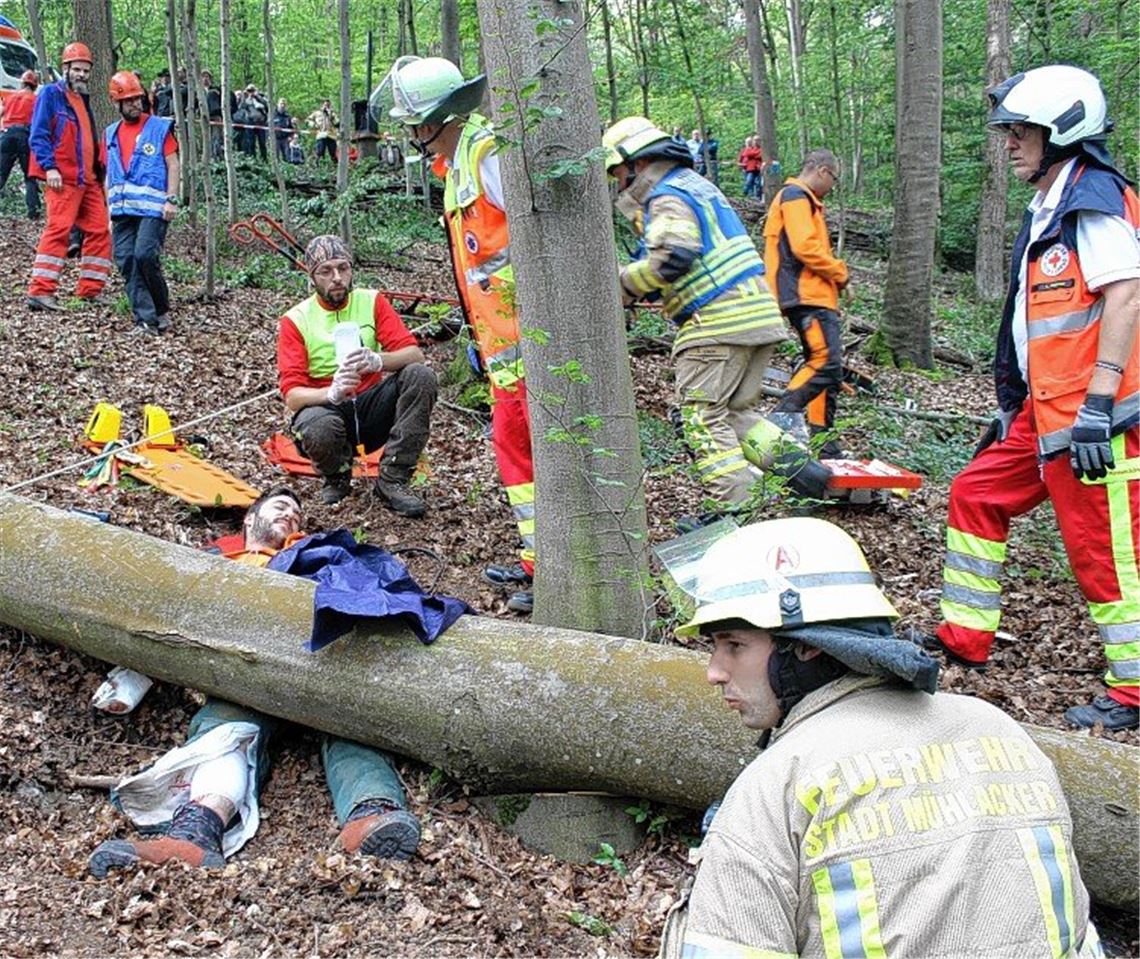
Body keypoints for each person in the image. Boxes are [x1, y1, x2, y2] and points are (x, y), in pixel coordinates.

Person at [659, 517, 1102, 959]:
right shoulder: (1001, 731)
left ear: (807, 645)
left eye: (733, 645)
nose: (715, 672)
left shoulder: (778, 783)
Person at [927, 65, 1140, 731]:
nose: (1010, 141)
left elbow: (1126, 294)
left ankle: (1134, 691)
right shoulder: (1052, 201)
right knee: (976, 492)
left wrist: (1101, 403)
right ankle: (965, 636)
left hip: (1092, 418)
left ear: (1060, 131)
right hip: (1044, 413)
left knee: (1105, 556)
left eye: (1021, 130)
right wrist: (1012, 407)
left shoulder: (1094, 199)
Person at [87, 486, 423, 878]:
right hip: (239, 677)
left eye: (297, 515)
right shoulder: (215, 560)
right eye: (281, 507)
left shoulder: (316, 555)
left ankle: (371, 813)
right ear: (249, 518)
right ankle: (196, 832)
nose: (290, 517)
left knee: (350, 728)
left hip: (322, 667)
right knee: (226, 735)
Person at [379, 56, 536, 614]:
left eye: (411, 122)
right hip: (500, 341)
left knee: (520, 452)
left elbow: (534, 237)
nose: (408, 133)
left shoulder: (486, 153)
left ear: (433, 119)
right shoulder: (457, 167)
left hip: (528, 341)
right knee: (515, 452)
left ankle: (544, 567)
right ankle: (535, 559)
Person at [602, 117, 788, 510]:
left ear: (637, 162)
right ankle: (810, 479)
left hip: (717, 324)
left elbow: (674, 256)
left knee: (702, 420)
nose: (618, 184)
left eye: (618, 173)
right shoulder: (699, 187)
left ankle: (737, 513)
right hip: (757, 317)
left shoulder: (666, 196)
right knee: (738, 416)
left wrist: (619, 286)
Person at [278, 234, 437, 514]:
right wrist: (331, 392)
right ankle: (337, 477)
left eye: (343, 268)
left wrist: (378, 360)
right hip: (327, 410)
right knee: (316, 424)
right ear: (312, 277)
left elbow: (415, 355)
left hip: (372, 405)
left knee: (420, 375)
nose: (337, 277)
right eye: (326, 271)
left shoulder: (371, 301)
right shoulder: (296, 319)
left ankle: (393, 479)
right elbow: (292, 396)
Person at [763, 148, 849, 458]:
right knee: (825, 363)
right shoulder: (796, 196)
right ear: (823, 171)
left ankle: (825, 444)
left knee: (828, 372)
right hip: (805, 295)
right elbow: (805, 247)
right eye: (834, 179)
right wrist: (839, 272)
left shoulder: (803, 200)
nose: (832, 186)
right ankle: (781, 418)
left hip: (812, 296)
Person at [26, 42, 114, 313]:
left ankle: (90, 290)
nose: (81, 75)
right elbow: (38, 134)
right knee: (59, 229)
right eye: (76, 69)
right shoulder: (51, 95)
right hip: (62, 178)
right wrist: (49, 167)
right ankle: (41, 290)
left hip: (87, 179)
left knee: (100, 230)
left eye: (85, 70)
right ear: (65, 68)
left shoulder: (82, 99)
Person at [104, 71, 179, 336]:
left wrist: (172, 198)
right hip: (122, 210)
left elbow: (173, 163)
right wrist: (107, 212)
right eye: (129, 101)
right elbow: (109, 174)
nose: (136, 104)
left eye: (138, 99)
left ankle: (161, 308)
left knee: (145, 255)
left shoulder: (158, 128)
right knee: (126, 260)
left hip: (153, 208)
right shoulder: (110, 134)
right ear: (117, 103)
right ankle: (146, 321)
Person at [0, 69, 41, 220]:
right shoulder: (36, 100)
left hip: (8, 135)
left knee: (1, 174)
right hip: (25, 136)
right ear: (35, 86)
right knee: (29, 176)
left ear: (22, 83)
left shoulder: (10, 97)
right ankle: (33, 211)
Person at [240, 84, 268, 161]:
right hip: (250, 122)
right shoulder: (246, 100)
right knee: (251, 142)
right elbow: (241, 107)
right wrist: (244, 96)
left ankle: (264, 159)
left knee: (262, 142)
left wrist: (257, 96)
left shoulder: (261, 98)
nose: (251, 92)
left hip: (261, 122)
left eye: (252, 90)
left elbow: (266, 106)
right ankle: (253, 159)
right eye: (249, 91)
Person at [201, 70, 224, 159]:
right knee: (206, 138)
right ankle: (207, 156)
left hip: (215, 117)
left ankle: (216, 157)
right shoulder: (198, 91)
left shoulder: (216, 89)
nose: (205, 79)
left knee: (216, 137)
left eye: (207, 77)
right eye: (203, 77)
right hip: (203, 117)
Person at [307, 98, 338, 163]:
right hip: (321, 135)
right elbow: (308, 120)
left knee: (333, 153)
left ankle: (335, 167)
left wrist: (331, 115)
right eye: (325, 105)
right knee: (320, 152)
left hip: (331, 135)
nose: (326, 106)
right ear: (322, 105)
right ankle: (319, 167)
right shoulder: (316, 113)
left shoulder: (332, 114)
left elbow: (337, 123)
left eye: (328, 105)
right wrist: (313, 125)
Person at [272, 97, 295, 162]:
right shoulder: (272, 115)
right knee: (276, 157)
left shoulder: (287, 116)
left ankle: (286, 169)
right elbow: (267, 127)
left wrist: (291, 137)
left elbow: (291, 128)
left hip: (285, 139)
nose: (282, 105)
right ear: (278, 104)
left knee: (286, 156)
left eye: (284, 104)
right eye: (281, 103)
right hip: (275, 139)